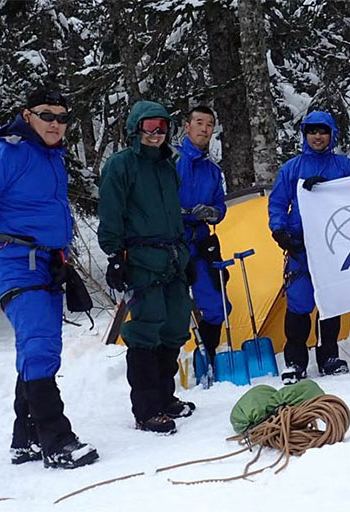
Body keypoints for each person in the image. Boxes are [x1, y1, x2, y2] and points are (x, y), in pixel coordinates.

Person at [0, 87, 98, 469]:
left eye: (62, 117)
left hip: (49, 263)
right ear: (27, 115)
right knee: (40, 345)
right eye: (47, 115)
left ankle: (26, 439)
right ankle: (57, 440)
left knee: (36, 348)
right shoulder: (5, 154)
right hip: (15, 261)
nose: (56, 123)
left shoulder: (51, 157)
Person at [98, 100, 195, 435]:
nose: (156, 134)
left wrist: (187, 256)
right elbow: (110, 211)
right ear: (136, 129)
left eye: (162, 127)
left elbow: (172, 212)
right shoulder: (121, 165)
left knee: (175, 324)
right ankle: (146, 408)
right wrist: (114, 255)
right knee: (146, 329)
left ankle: (166, 397)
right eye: (150, 127)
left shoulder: (168, 165)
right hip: (140, 258)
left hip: (173, 256)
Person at [268, 111, 350, 384]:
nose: (317, 137)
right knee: (299, 302)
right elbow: (278, 202)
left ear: (332, 134)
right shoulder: (292, 168)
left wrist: (329, 189)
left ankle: (328, 356)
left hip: (332, 244)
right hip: (300, 245)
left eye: (323, 131)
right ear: (305, 135)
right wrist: (280, 230)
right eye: (312, 131)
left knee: (329, 301)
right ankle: (295, 361)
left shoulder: (343, 166)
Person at [176, 106, 230, 363]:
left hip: (200, 243)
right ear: (187, 126)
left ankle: (207, 356)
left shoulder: (212, 171)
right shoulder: (171, 161)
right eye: (199, 122)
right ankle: (168, 367)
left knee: (216, 305)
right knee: (171, 309)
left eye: (209, 124)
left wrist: (213, 213)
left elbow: (220, 207)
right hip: (172, 243)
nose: (204, 129)